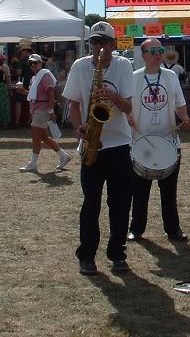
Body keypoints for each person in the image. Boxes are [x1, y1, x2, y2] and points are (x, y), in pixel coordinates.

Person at [63, 22, 134, 275]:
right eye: (94, 42)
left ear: (113, 45)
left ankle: (117, 254)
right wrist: (77, 126)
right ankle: (87, 255)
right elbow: (73, 103)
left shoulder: (124, 65)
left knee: (120, 203)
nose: (98, 47)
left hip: (119, 144)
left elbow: (128, 108)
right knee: (90, 203)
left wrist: (112, 97)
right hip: (92, 143)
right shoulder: (80, 66)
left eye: (103, 42)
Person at [127, 38, 190, 243]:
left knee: (169, 191)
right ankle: (136, 229)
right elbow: (126, 105)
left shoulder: (171, 76)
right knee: (139, 191)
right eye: (153, 50)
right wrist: (127, 116)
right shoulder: (134, 77)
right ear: (143, 54)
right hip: (141, 142)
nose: (158, 53)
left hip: (169, 141)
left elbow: (179, 103)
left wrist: (184, 117)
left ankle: (173, 230)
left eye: (160, 50)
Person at [19, 54, 72, 172]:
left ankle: (33, 162)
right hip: (38, 107)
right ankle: (63, 156)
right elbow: (34, 95)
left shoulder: (45, 75)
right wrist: (23, 91)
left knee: (36, 136)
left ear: (41, 63)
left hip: (42, 108)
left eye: (36, 62)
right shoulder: (35, 77)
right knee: (43, 136)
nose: (33, 65)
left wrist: (51, 110)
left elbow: (51, 92)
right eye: (31, 63)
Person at [12, 46, 34, 128]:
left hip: (23, 83)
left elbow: (19, 73)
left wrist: (16, 71)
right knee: (31, 103)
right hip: (31, 82)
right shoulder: (32, 61)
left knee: (19, 102)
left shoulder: (22, 61)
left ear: (24, 51)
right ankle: (29, 122)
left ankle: (17, 122)